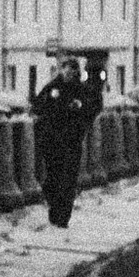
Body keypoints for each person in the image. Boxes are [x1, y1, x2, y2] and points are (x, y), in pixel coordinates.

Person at [35, 56, 104, 231]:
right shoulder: (52, 87)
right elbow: (37, 106)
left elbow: (95, 105)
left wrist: (80, 106)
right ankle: (54, 208)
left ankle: (63, 217)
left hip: (72, 140)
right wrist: (51, 104)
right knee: (52, 178)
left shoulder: (82, 90)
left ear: (76, 72)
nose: (68, 72)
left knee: (69, 180)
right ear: (61, 70)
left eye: (72, 69)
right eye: (65, 68)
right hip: (51, 141)